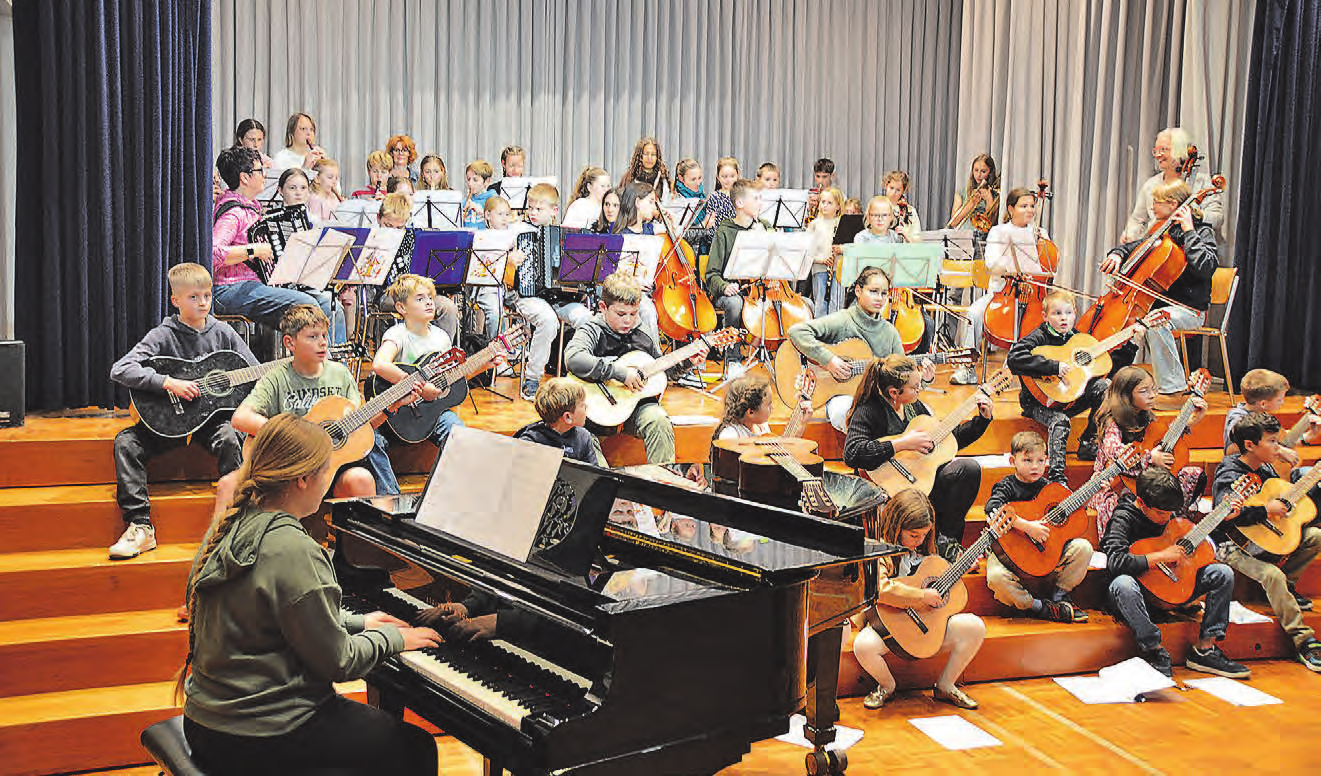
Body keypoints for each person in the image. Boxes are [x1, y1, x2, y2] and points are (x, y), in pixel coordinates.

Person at [178, 413, 441, 775]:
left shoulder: (231, 523)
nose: (330, 480)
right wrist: (393, 638)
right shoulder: (294, 549)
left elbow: (274, 611)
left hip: (205, 724)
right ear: (302, 479)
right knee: (416, 748)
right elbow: (340, 662)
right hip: (259, 735)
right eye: (327, 470)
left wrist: (358, 622)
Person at [108, 263, 253, 560]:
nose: (203, 303)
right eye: (193, 297)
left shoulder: (224, 332)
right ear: (176, 300)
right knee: (126, 443)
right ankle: (140, 526)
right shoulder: (163, 334)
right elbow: (121, 369)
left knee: (230, 436)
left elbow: (254, 369)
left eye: (207, 296)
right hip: (169, 423)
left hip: (210, 422)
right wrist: (167, 382)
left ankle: (238, 522)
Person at [233, 305, 408, 498]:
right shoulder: (277, 378)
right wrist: (295, 434)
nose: (323, 342)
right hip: (291, 470)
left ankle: (378, 513)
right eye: (313, 337)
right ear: (290, 343)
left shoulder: (340, 375)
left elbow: (360, 426)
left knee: (361, 479)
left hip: (329, 469)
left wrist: (390, 407)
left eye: (324, 335)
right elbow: (241, 418)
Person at [1102, 467, 1249, 679]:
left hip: (1173, 587)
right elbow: (1115, 561)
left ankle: (1205, 649)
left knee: (1222, 572)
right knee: (1122, 584)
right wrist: (1161, 556)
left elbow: (1203, 543)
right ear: (1141, 503)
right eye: (1161, 513)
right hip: (1138, 594)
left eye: (1170, 512)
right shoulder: (1123, 517)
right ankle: (1155, 650)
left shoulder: (1170, 513)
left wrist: (1225, 520)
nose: (1166, 517)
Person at [852, 489, 986, 710]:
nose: (920, 540)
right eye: (914, 535)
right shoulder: (877, 551)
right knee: (863, 646)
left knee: (974, 626)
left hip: (925, 629)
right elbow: (881, 589)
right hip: (889, 631)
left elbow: (938, 588)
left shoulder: (928, 551)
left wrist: (958, 571)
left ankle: (945, 685)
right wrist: (922, 596)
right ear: (896, 527)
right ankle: (886, 686)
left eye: (925, 534)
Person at [843, 354, 991, 546]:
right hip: (888, 492)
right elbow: (852, 453)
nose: (919, 389)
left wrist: (982, 420)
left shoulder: (914, 406)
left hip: (919, 484)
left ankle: (946, 542)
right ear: (894, 392)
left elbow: (945, 440)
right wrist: (902, 444)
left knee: (968, 469)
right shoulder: (868, 411)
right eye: (914, 387)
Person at [1214, 412, 1321, 671]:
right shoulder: (1229, 473)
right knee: (1272, 575)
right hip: (1232, 545)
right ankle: (1303, 639)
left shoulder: (1265, 469)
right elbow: (1223, 515)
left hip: (1266, 540)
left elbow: (1280, 501)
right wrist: (1265, 510)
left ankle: (1288, 586)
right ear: (1250, 445)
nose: (1278, 447)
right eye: (1272, 441)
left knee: (1315, 536)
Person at [564, 272, 706, 466]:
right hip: (593, 413)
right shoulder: (592, 328)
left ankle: (664, 479)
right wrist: (621, 374)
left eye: (634, 313)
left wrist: (687, 363)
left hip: (633, 407)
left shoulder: (642, 332)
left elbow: (660, 371)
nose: (628, 321)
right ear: (603, 307)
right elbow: (573, 358)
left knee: (658, 419)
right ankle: (603, 482)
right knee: (582, 438)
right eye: (621, 314)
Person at [1101, 179, 1218, 395]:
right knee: (1129, 322)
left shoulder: (1202, 232)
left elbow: (1206, 267)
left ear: (1173, 204)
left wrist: (1189, 231)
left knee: (1156, 321)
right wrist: (1117, 254)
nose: (1152, 206)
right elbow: (1135, 246)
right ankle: (1109, 382)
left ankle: (1173, 388)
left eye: (1156, 202)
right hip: (1158, 306)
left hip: (1190, 310)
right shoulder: (1164, 230)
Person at [786, 266, 933, 431]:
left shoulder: (890, 332)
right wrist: (829, 360)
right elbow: (796, 332)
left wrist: (924, 380)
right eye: (873, 291)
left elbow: (903, 379)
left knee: (927, 414)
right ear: (858, 291)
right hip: (843, 396)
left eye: (884, 293)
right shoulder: (843, 320)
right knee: (843, 412)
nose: (879, 298)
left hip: (878, 398)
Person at [368, 273, 469, 495]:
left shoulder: (441, 337)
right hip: (395, 414)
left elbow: (449, 377)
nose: (429, 302)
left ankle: (443, 494)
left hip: (430, 413)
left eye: (430, 298)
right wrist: (417, 385)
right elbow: (379, 364)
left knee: (458, 434)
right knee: (370, 440)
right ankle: (391, 498)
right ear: (401, 308)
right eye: (420, 298)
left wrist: (482, 365)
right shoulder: (397, 334)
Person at [210, 147, 330, 329]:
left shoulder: (251, 209)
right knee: (307, 305)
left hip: (249, 286)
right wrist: (254, 250)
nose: (264, 175)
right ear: (244, 178)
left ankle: (323, 348)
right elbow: (213, 253)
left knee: (323, 302)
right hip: (229, 288)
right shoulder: (234, 213)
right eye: (260, 170)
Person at [984, 431, 1092, 623]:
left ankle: (1060, 596)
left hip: (1043, 552)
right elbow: (992, 508)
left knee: (1084, 548)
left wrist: (1094, 492)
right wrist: (1026, 526)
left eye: (1040, 460)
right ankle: (1040, 607)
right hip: (1008, 551)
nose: (1035, 466)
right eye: (1027, 460)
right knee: (996, 578)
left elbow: (1073, 514)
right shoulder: (1006, 486)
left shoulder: (1049, 488)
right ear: (1012, 461)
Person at [1089, 365, 1206, 534]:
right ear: (1126, 395)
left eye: (1153, 389)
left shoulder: (1146, 416)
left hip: (1146, 480)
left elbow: (1161, 439)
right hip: (1115, 484)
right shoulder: (1112, 422)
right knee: (1116, 505)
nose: (1152, 395)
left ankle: (1174, 527)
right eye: (1144, 391)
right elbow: (1114, 452)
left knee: (1192, 475)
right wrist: (1150, 458)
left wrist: (1189, 421)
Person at [1006, 289, 1108, 478]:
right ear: (1045, 316)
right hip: (1038, 403)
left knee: (1105, 387)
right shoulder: (1039, 336)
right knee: (1060, 420)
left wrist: (1131, 343)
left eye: (1068, 313)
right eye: (1057, 313)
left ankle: (1088, 442)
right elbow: (1014, 358)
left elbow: (1106, 364)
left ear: (1075, 314)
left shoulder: (1077, 339)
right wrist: (1053, 367)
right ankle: (1057, 477)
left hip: (1069, 399)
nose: (1064, 318)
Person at [505, 183, 590, 400]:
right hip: (527, 295)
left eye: (538, 209)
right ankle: (532, 379)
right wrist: (509, 259)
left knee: (586, 319)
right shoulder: (518, 231)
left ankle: (579, 372)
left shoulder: (563, 234)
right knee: (548, 320)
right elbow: (496, 258)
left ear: (554, 210)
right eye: (530, 208)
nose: (532, 213)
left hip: (558, 299)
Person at [957, 186, 1049, 383]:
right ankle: (967, 369)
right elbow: (991, 265)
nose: (1030, 210)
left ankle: (1021, 370)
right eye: (1024, 206)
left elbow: (1047, 267)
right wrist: (1010, 268)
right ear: (1011, 209)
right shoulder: (999, 232)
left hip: (1032, 297)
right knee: (973, 314)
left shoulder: (1040, 234)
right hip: (1001, 294)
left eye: (1032, 206)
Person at [1122, 126, 1224, 241]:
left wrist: (1194, 215)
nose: (1157, 155)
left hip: (1195, 246)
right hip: (1161, 248)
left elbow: (1217, 218)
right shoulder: (1151, 185)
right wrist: (1130, 234)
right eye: (1156, 150)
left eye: (1163, 150)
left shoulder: (1202, 182)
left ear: (1179, 150)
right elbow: (1137, 219)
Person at [703, 179, 766, 348]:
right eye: (756, 198)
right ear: (739, 203)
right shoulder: (724, 231)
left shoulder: (764, 226)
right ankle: (733, 355)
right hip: (732, 291)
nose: (760, 203)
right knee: (734, 303)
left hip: (760, 290)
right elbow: (711, 274)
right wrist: (724, 286)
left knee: (806, 304)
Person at [611, 181, 663, 344]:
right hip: (624, 292)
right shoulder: (619, 233)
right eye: (651, 202)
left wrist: (670, 221)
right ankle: (655, 355)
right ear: (638, 203)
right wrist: (633, 284)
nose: (654, 207)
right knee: (648, 311)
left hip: (648, 290)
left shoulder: (650, 230)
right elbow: (612, 273)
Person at [1224, 368, 1321, 453]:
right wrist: (1280, 451)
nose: (1282, 402)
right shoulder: (1238, 418)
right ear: (1263, 404)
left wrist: (1309, 436)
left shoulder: (1264, 417)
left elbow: (1284, 443)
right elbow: (1234, 449)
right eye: (1279, 400)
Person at [513, 376, 604, 465]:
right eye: (583, 405)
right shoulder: (529, 443)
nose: (587, 407)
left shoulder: (583, 437)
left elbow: (593, 473)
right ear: (567, 417)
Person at [805, 187, 844, 317]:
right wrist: (821, 260)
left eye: (829, 203)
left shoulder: (841, 223)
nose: (824, 205)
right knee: (820, 303)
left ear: (838, 206)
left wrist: (840, 249)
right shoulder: (814, 225)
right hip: (819, 268)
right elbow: (807, 251)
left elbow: (849, 246)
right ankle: (820, 328)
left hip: (838, 269)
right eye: (823, 202)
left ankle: (835, 328)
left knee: (836, 303)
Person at [947, 153, 1000, 235]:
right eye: (976, 170)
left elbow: (991, 223)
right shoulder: (961, 192)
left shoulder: (996, 194)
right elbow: (953, 223)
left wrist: (989, 199)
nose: (978, 175)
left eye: (983, 171)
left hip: (984, 238)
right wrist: (971, 204)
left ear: (990, 172)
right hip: (963, 237)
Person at [712, 374, 775, 442]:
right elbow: (725, 444)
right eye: (769, 404)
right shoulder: (730, 434)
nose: (772, 407)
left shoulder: (762, 426)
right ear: (751, 412)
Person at [703, 156, 740, 229]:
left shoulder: (742, 195)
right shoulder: (714, 197)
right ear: (718, 177)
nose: (728, 180)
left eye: (732, 176)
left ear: (737, 175)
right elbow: (710, 225)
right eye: (724, 177)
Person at [883, 170, 922, 234]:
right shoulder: (877, 206)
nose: (893, 192)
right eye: (891, 188)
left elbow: (916, 236)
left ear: (904, 191)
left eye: (898, 190)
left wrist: (907, 233)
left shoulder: (910, 211)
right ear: (886, 186)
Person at [672, 158, 708, 228]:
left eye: (699, 178)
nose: (698, 183)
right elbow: (679, 230)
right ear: (681, 178)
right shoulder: (676, 199)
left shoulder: (703, 197)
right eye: (693, 179)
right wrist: (703, 225)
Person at [307, 158, 344, 222]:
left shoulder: (334, 199)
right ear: (317, 178)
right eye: (330, 177)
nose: (334, 182)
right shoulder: (315, 199)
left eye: (336, 178)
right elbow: (316, 224)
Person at [462, 160, 496, 229]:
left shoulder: (493, 199)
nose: (470, 184)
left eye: (475, 180)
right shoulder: (466, 201)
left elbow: (497, 220)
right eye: (468, 179)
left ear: (487, 181)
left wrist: (481, 211)